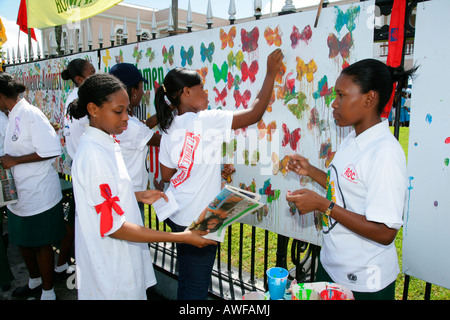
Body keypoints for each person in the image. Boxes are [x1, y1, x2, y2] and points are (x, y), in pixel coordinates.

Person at [67, 73, 216, 300]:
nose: (127, 117)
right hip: (112, 271)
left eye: (128, 110)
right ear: (93, 109)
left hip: (120, 264)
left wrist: (135, 195)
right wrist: (182, 237)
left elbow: (101, 198)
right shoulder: (95, 156)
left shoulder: (106, 144)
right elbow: (115, 228)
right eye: (119, 111)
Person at [155, 49, 283, 300]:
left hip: (178, 214)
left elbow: (168, 174)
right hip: (202, 219)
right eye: (201, 87)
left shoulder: (169, 126)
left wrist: (207, 166)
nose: (206, 92)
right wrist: (270, 73)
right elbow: (255, 113)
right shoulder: (206, 119)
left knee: (188, 278)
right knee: (196, 286)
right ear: (186, 92)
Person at [286, 59, 417, 300]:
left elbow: (385, 232)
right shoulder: (353, 138)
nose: (334, 104)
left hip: (365, 282)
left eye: (341, 95)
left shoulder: (385, 153)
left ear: (369, 99)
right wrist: (311, 171)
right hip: (332, 266)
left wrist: (323, 205)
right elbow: (346, 188)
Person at [0, 73, 65, 300]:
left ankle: (48, 292)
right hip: (20, 193)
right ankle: (34, 281)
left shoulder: (30, 113)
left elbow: (50, 150)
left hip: (39, 193)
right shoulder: (11, 116)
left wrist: (15, 160)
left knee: (40, 243)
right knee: (23, 243)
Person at [56, 58, 96, 280]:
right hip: (87, 168)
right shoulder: (83, 100)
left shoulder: (73, 98)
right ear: (80, 79)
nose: (97, 73)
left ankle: (63, 264)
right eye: (92, 71)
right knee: (85, 223)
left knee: (77, 220)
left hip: (79, 166)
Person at [109, 63, 161, 222]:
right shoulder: (131, 127)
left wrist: (168, 108)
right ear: (132, 92)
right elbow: (163, 141)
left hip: (118, 194)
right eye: (140, 88)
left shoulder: (115, 119)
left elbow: (141, 127)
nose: (143, 92)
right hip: (131, 197)